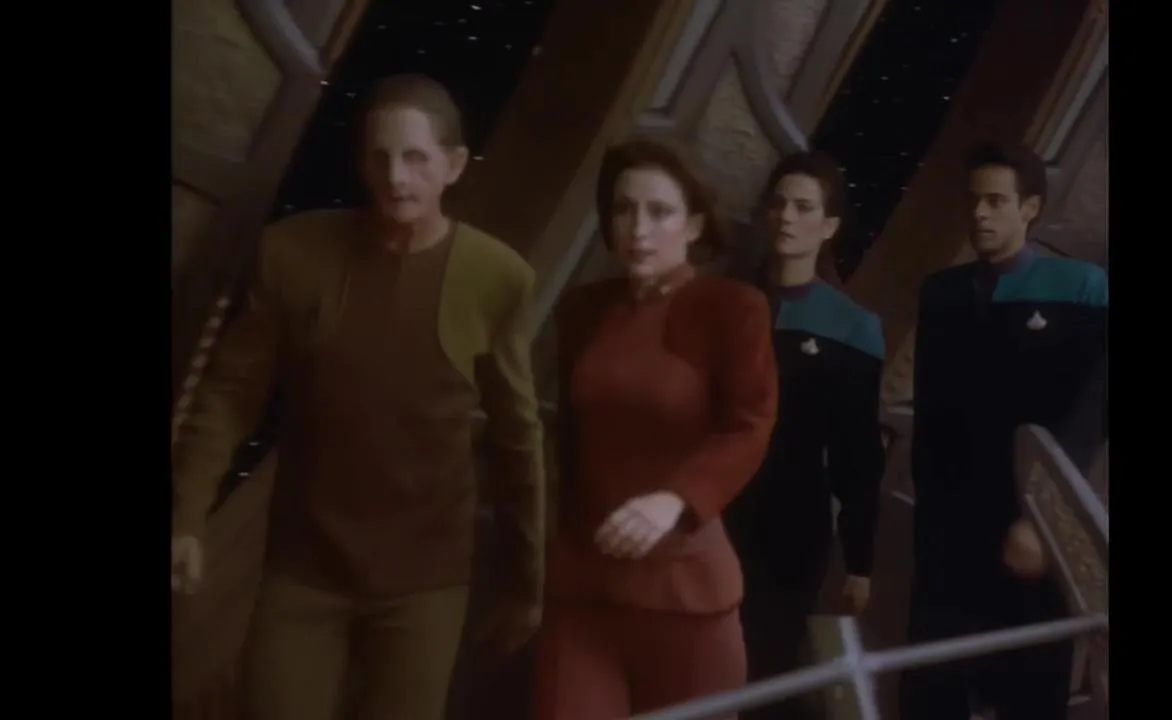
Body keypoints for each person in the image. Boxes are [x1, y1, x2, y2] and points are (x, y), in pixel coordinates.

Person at [169, 73, 545, 720]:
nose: (396, 177)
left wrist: (526, 581)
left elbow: (517, 437)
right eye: (380, 157)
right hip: (306, 566)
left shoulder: (496, 277)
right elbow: (230, 395)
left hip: (426, 577)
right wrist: (186, 517)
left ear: (454, 165)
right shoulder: (294, 253)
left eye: (416, 158)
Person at [535, 137, 778, 720]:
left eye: (660, 211)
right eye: (623, 209)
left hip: (686, 592)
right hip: (584, 587)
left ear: (694, 225)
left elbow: (749, 426)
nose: (638, 229)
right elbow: (568, 440)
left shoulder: (731, 309)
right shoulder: (583, 311)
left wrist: (674, 498)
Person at [900, 141, 1108, 720]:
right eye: (973, 200)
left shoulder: (1082, 289)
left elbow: (1090, 414)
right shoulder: (941, 292)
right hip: (950, 535)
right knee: (929, 691)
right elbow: (933, 415)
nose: (980, 214)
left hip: (1034, 529)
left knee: (1029, 691)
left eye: (996, 201)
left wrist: (1041, 518)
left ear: (1030, 208)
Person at [724, 151, 886, 720]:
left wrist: (860, 560)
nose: (787, 217)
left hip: (790, 526)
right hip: (711, 507)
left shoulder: (853, 326)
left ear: (830, 225)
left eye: (803, 207)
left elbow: (856, 451)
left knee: (762, 672)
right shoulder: (723, 302)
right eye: (779, 204)